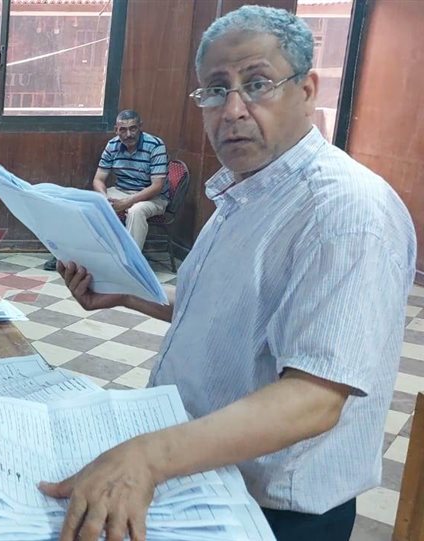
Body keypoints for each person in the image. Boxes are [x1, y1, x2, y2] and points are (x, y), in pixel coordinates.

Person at [42, 7, 415, 541]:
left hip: (274, 513)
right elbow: (222, 313)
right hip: (200, 471)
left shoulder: (346, 213)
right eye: (216, 90)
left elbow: (314, 398)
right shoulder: (248, 190)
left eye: (257, 84)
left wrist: (146, 457)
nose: (233, 109)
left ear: (307, 90)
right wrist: (124, 294)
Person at [44, 109, 168, 271]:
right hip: (121, 190)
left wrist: (128, 202)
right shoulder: (112, 145)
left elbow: (157, 186)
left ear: (140, 127)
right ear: (116, 130)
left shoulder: (155, 145)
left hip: (152, 196)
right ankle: (68, 256)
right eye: (123, 130)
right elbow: (98, 179)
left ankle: (131, 266)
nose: (128, 134)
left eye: (133, 128)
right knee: (87, 204)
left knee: (136, 211)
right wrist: (103, 198)